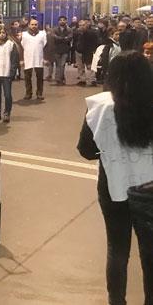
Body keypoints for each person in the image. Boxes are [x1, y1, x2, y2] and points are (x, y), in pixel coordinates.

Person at [77, 50, 153, 305]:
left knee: (117, 250)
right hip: (149, 189)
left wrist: (109, 150)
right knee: (150, 252)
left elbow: (86, 150)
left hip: (112, 186)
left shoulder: (100, 107)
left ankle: (116, 301)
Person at [20, 19, 47, 100]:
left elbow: (45, 47)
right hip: (27, 59)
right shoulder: (24, 35)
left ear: (38, 25)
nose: (34, 26)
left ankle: (39, 93)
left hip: (39, 59)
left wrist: (45, 58)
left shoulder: (42, 34)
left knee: (40, 78)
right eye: (32, 24)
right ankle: (28, 93)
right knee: (27, 78)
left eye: (35, 24)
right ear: (29, 25)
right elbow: (21, 48)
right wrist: (21, 59)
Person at [74, 20, 99, 87]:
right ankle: (82, 80)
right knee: (80, 66)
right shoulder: (76, 32)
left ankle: (92, 80)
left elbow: (95, 43)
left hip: (88, 52)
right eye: (80, 25)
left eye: (83, 25)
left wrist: (93, 51)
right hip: (78, 51)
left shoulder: (92, 33)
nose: (81, 26)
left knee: (90, 66)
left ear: (87, 25)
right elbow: (74, 41)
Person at [52, 16, 73, 86]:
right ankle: (60, 79)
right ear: (58, 21)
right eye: (60, 20)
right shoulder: (55, 29)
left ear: (66, 21)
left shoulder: (69, 30)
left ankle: (59, 80)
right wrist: (64, 38)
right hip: (57, 49)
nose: (62, 21)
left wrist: (60, 38)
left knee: (62, 65)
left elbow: (70, 38)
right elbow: (54, 37)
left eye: (64, 20)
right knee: (58, 65)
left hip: (65, 50)